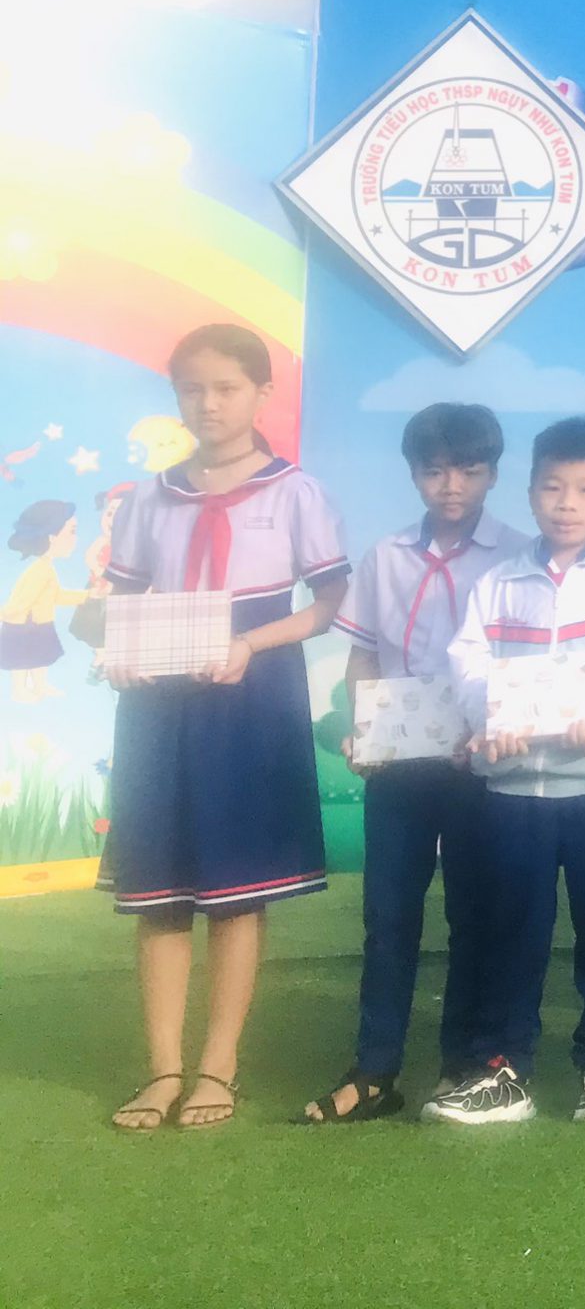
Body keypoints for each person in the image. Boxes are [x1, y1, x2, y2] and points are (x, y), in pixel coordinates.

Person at [97, 324, 349, 1132]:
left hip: (253, 692)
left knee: (237, 891)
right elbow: (121, 606)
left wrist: (251, 643)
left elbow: (329, 603)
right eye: (192, 389)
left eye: (227, 388)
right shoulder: (147, 499)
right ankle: (161, 1069)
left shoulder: (295, 493)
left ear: (262, 394)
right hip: (159, 703)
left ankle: (219, 1065)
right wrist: (119, 654)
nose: (209, 404)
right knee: (160, 892)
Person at [430, 417, 585, 1124]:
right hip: (514, 792)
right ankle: (506, 1072)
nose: (567, 503)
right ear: (530, 493)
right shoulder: (498, 582)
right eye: (553, 487)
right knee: (512, 936)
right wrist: (493, 716)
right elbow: (468, 661)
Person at [303, 403, 520, 1124]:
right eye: (434, 471)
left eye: (469, 470)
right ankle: (375, 1069)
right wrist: (362, 729)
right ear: (413, 474)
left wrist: (490, 729)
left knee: (474, 917)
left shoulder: (516, 557)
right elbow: (363, 653)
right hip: (397, 767)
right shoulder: (387, 556)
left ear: (493, 474)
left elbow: (520, 666)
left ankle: (464, 1063)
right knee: (389, 917)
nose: (451, 485)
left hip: (477, 768)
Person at [3, 501, 85, 702]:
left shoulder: (47, 567)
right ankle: (19, 690)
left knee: (40, 656)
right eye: (72, 531)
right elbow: (22, 602)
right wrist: (5, 614)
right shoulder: (39, 570)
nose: (76, 538)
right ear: (52, 536)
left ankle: (40, 686)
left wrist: (86, 596)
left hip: (40, 624)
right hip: (23, 625)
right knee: (21, 660)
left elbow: (56, 596)